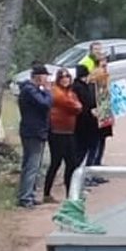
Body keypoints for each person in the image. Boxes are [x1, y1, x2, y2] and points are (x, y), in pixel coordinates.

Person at [17, 64, 53, 208]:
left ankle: (29, 194)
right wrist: (48, 91)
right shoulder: (30, 91)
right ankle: (25, 198)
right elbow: (45, 104)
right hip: (33, 132)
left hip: (35, 130)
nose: (47, 79)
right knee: (32, 165)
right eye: (46, 77)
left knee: (31, 165)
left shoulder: (33, 90)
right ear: (39, 77)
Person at [43, 69, 83, 203]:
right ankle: (47, 193)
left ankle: (69, 194)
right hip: (57, 132)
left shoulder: (70, 93)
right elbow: (72, 106)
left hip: (69, 132)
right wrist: (76, 105)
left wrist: (77, 105)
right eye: (62, 77)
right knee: (56, 162)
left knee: (71, 163)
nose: (65, 79)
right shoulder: (56, 92)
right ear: (58, 79)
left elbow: (78, 106)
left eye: (67, 76)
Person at [71, 64, 100, 187]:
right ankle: (80, 176)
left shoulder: (83, 86)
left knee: (87, 150)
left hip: (88, 123)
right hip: (85, 124)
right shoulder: (80, 88)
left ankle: (84, 175)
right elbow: (88, 101)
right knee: (83, 151)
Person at [90, 56, 114, 178]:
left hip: (105, 116)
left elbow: (108, 98)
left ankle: (97, 171)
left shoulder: (106, 79)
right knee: (95, 147)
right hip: (95, 119)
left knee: (102, 143)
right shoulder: (93, 82)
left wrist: (111, 115)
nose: (104, 69)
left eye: (106, 66)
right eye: (102, 66)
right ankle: (92, 173)